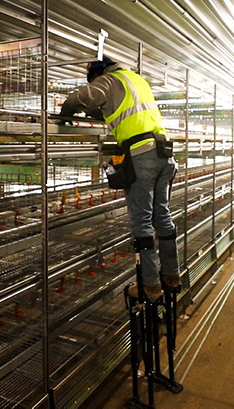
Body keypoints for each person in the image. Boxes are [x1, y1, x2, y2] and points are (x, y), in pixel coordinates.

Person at [60, 56, 179, 301]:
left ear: (97, 73)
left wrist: (65, 111)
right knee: (162, 217)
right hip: (163, 153)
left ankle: (151, 286)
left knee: (142, 222)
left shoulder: (110, 80)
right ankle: (171, 274)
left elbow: (81, 98)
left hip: (141, 155)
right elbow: (106, 107)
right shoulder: (136, 80)